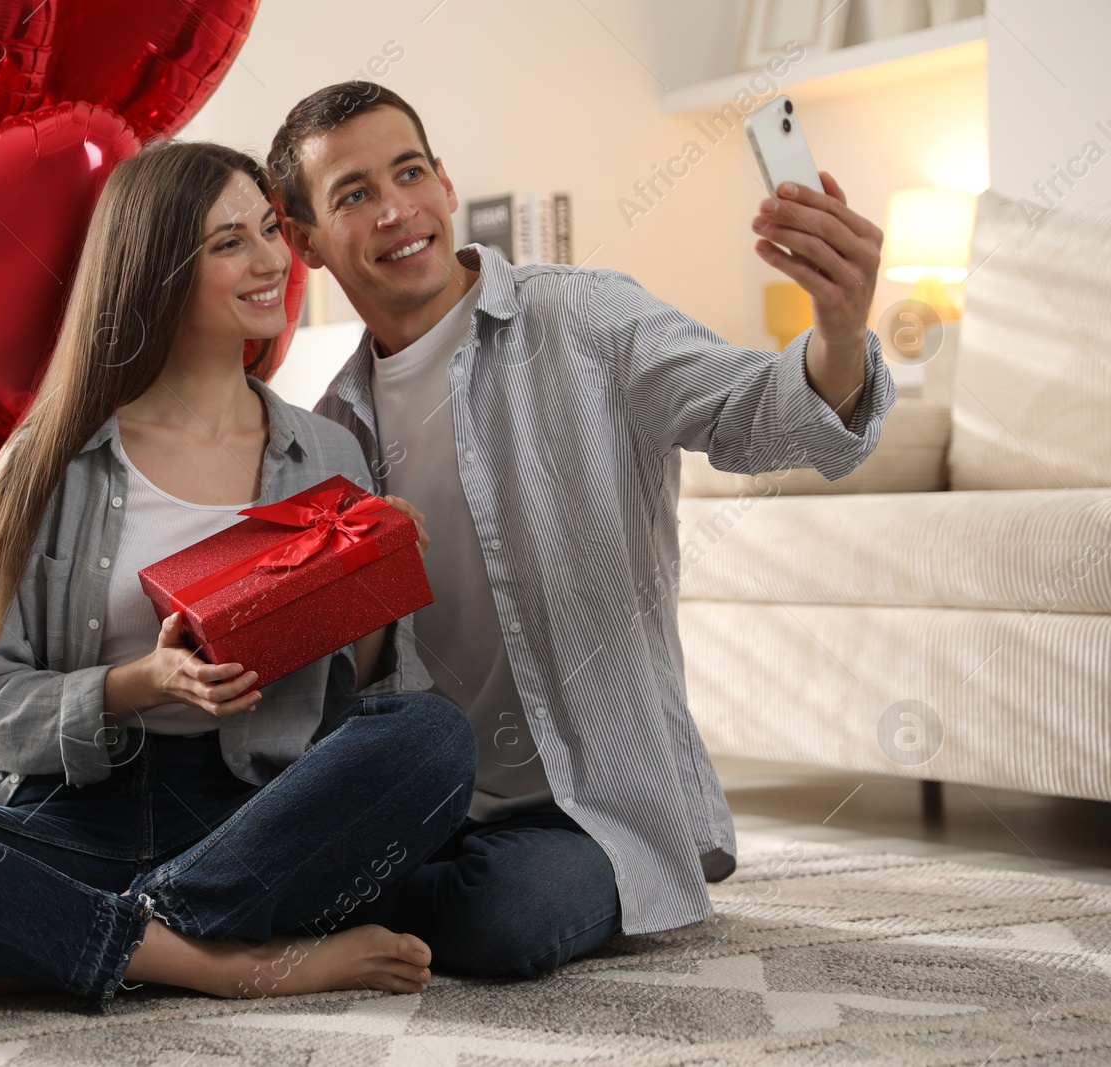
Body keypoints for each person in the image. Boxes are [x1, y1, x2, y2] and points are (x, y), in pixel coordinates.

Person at [0, 139, 478, 1013]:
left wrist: (370, 572)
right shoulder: (51, 461)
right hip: (72, 815)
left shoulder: (328, 451)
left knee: (432, 737)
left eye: (267, 231)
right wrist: (134, 685)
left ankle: (68, 942)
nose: (270, 263)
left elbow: (353, 710)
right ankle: (221, 963)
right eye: (228, 244)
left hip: (255, 819)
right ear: (157, 271)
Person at [265, 81, 895, 977]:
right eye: (354, 194)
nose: (397, 211)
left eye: (409, 172)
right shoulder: (329, 433)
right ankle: (342, 901)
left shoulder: (585, 319)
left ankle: (343, 912)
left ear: (445, 183)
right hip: (429, 809)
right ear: (307, 243)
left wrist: (838, 327)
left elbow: (763, 417)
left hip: (589, 808)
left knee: (510, 917)